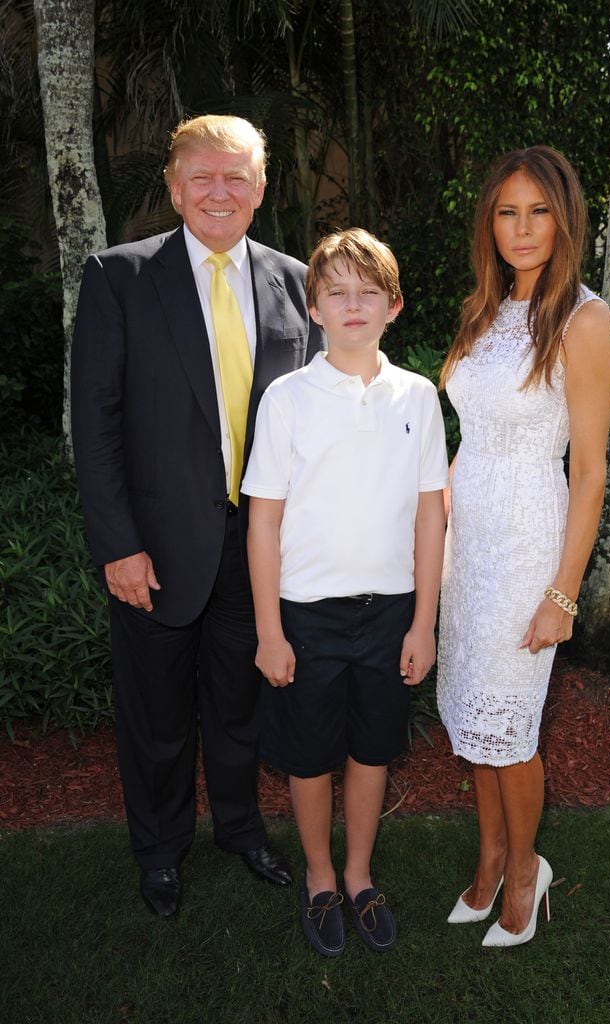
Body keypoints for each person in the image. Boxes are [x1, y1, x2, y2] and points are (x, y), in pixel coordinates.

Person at [71, 114, 324, 917]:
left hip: (259, 545)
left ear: (260, 187)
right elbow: (96, 422)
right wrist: (118, 543)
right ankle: (160, 849)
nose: (221, 192)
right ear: (176, 188)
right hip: (155, 546)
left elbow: (314, 422)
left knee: (241, 703)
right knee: (156, 714)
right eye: (204, 177)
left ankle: (242, 831)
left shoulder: (293, 281)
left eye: (237, 177)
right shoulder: (119, 277)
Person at [241, 228, 448, 956]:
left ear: (394, 306)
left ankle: (360, 875)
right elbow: (262, 520)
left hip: (390, 612)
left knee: (371, 750)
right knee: (307, 754)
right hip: (304, 614)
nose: (353, 304)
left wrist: (424, 622)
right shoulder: (287, 398)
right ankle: (320, 877)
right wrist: (269, 629)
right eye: (337, 292)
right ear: (314, 308)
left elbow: (431, 511)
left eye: (369, 292)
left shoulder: (418, 396)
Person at [437, 145, 610, 947]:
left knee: (509, 729)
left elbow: (590, 472)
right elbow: (464, 439)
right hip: (467, 544)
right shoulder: (485, 308)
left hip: (526, 543)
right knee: (475, 718)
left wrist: (562, 592)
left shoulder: (584, 317)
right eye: (507, 212)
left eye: (538, 211)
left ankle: (524, 871)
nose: (522, 228)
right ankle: (487, 860)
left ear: (565, 217)